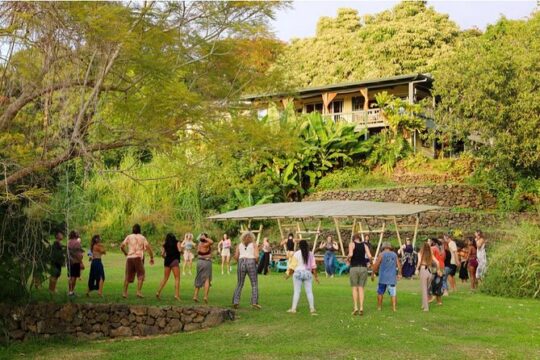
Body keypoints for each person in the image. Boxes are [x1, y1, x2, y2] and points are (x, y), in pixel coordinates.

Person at [120, 224, 154, 298]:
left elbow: (122, 246)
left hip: (129, 258)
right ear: (139, 230)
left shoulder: (129, 237)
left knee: (127, 275)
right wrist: (151, 257)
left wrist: (126, 253)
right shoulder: (142, 237)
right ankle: (138, 291)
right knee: (141, 274)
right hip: (138, 258)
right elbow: (148, 247)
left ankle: (124, 293)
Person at [285, 239, 319, 315]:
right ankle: (312, 308)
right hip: (307, 273)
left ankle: (293, 309)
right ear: (307, 245)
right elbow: (314, 267)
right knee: (309, 292)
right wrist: (316, 277)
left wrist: (288, 275)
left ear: (299, 246)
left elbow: (292, 266)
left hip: (297, 273)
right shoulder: (310, 254)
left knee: (297, 292)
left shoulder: (296, 254)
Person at [232, 232, 261, 309]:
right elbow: (257, 256)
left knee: (240, 283)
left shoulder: (239, 245)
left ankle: (235, 301)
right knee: (254, 284)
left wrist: (240, 261)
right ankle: (254, 302)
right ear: (252, 237)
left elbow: (236, 256)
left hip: (241, 262)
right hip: (251, 261)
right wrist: (256, 262)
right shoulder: (254, 244)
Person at [347, 234, 372, 315]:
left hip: (354, 267)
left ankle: (355, 307)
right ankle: (361, 307)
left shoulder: (352, 244)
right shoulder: (365, 245)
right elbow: (370, 256)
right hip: (363, 268)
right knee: (361, 288)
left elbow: (350, 254)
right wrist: (370, 263)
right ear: (360, 239)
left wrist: (347, 259)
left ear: (354, 239)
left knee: (354, 288)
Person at [373, 242, 401, 312]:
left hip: (382, 277)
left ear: (383, 247)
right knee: (393, 293)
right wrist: (399, 274)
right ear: (390, 247)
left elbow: (376, 264)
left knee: (380, 292)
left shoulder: (381, 254)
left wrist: (373, 273)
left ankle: (379, 307)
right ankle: (394, 308)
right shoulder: (394, 255)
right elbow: (399, 265)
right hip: (392, 278)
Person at [416, 241, 443, 311]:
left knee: (424, 290)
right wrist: (438, 270)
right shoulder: (431, 254)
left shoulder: (420, 253)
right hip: (430, 271)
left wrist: (416, 269)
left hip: (423, 270)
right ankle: (423, 304)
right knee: (427, 289)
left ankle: (426, 307)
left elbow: (419, 262)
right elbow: (437, 262)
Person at [156, 233, 182, 300]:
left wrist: (166, 258)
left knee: (165, 278)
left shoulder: (165, 244)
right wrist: (183, 250)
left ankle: (158, 292)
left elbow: (162, 254)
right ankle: (176, 295)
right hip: (174, 261)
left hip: (167, 261)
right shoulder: (177, 242)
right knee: (177, 278)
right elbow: (180, 250)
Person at [193, 233, 213, 304]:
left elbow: (198, 254)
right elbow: (211, 242)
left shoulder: (199, 245)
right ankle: (205, 296)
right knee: (207, 279)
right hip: (206, 262)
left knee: (198, 277)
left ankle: (195, 296)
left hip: (199, 262)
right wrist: (205, 238)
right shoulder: (206, 244)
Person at [67, 231, 84, 297]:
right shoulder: (77, 243)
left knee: (71, 277)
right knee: (74, 277)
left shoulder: (68, 242)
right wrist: (81, 262)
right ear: (75, 235)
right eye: (77, 234)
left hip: (69, 262)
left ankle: (70, 291)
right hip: (75, 262)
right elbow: (78, 254)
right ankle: (71, 292)